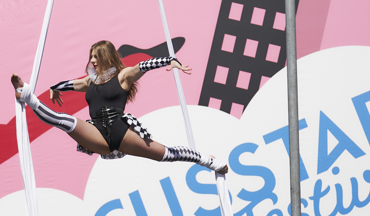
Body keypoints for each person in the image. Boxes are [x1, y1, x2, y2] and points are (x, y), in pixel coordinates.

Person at [12, 40, 228, 173]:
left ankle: (206, 160)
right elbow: (71, 84)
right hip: (97, 133)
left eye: (96, 57)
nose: (92, 61)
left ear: (106, 57)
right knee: (65, 122)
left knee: (167, 155)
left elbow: (143, 65)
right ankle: (29, 97)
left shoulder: (123, 76)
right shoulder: (91, 81)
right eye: (91, 57)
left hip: (120, 131)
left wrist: (170, 60)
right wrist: (55, 87)